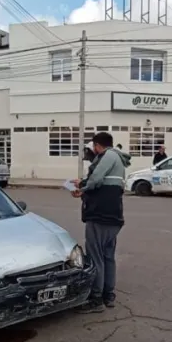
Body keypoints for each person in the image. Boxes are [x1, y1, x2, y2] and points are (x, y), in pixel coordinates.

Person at [70, 132, 131, 313]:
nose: (93, 153)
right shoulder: (117, 159)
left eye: (93, 148)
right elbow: (101, 184)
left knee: (96, 257)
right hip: (112, 216)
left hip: (100, 216)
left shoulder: (109, 155)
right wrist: (84, 186)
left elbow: (96, 179)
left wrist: (81, 187)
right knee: (107, 256)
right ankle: (108, 295)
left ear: (97, 145)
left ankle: (96, 299)